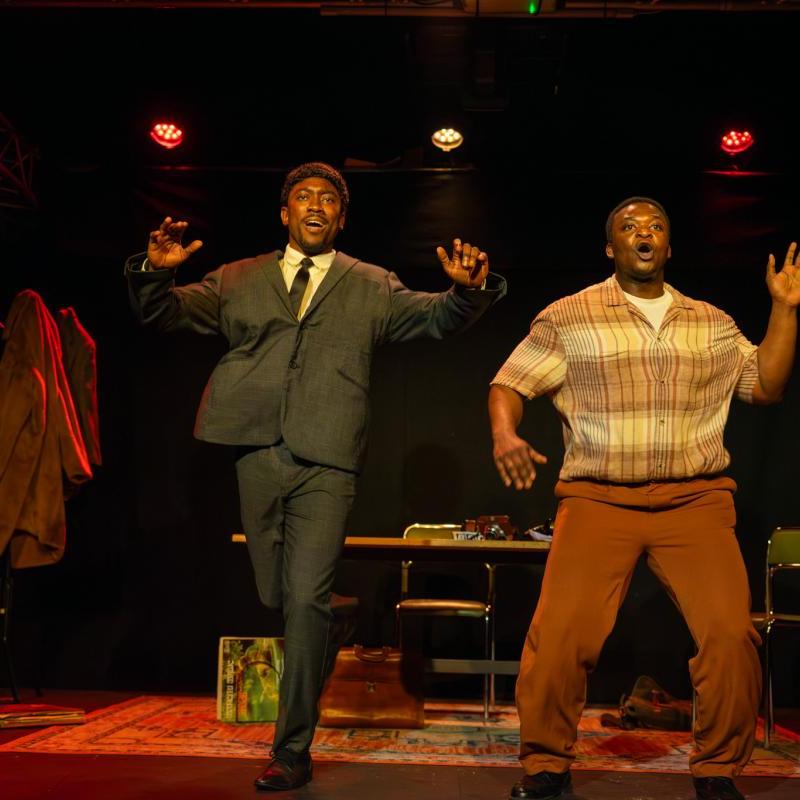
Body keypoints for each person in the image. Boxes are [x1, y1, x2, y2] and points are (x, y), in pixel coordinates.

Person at [126, 162, 506, 791]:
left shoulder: (371, 283)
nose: (315, 206)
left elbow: (437, 317)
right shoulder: (237, 278)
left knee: (301, 600)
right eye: (303, 197)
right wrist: (154, 274)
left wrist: (467, 291)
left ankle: (292, 750)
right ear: (285, 213)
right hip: (254, 446)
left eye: (328, 199)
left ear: (341, 217)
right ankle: (338, 617)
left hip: (328, 455)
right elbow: (165, 314)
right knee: (277, 596)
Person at [489, 197, 798, 800]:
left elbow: (765, 385)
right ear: (612, 248)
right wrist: (505, 433)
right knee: (559, 635)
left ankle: (716, 771)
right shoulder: (569, 316)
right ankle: (547, 765)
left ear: (669, 246)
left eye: (655, 226)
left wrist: (784, 309)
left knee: (730, 634)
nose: (644, 234)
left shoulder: (709, 320)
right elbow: (509, 381)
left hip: (696, 501)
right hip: (598, 499)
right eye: (629, 227)